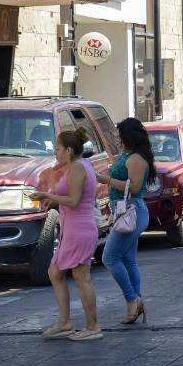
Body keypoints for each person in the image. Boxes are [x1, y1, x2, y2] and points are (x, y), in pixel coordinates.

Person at [35, 131, 102, 341]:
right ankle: (64, 322)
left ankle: (93, 326)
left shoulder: (78, 168)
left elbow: (73, 201)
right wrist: (52, 200)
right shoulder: (79, 166)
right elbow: (72, 198)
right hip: (73, 228)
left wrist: (48, 195)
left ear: (69, 150)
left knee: (82, 277)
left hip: (79, 229)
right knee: (55, 272)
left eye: (57, 149)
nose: (55, 153)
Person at [94, 118, 154, 325]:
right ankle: (137, 302)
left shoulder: (137, 158)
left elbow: (135, 187)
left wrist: (107, 180)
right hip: (126, 211)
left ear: (128, 136)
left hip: (131, 211)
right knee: (128, 260)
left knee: (109, 257)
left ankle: (132, 299)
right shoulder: (130, 155)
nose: (117, 138)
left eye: (120, 135)